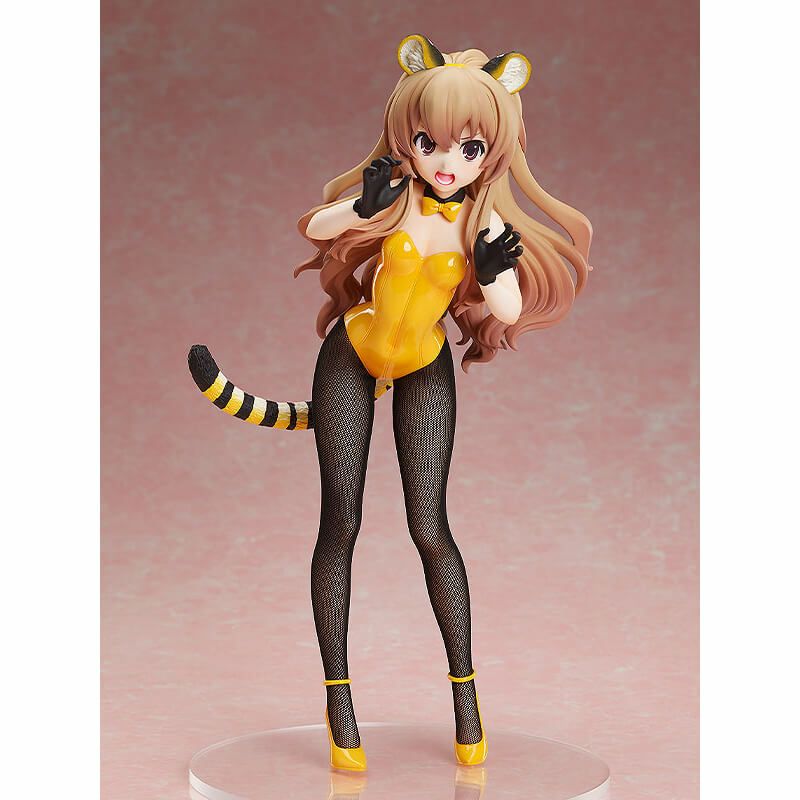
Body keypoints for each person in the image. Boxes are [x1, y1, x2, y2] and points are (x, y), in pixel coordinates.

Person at [188, 33, 592, 771]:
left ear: (493, 152)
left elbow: (506, 308)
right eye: (429, 143)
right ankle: (338, 700)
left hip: (423, 366)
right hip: (352, 354)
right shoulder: (398, 197)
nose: (446, 161)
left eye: (469, 149)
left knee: (429, 526)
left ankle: (466, 697)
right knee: (340, 521)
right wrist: (359, 208)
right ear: (408, 138)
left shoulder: (482, 224)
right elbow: (316, 227)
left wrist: (491, 270)